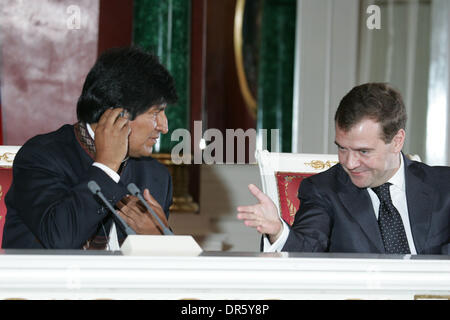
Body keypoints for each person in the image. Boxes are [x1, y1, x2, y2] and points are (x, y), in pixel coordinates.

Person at [238, 82, 450, 254]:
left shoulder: (443, 187)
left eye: (363, 151)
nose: (349, 163)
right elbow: (308, 250)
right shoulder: (323, 190)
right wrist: (278, 231)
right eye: (342, 148)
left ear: (397, 141)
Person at [2, 46, 178, 249]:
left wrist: (161, 241)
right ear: (119, 113)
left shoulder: (156, 176)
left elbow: (162, 273)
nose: (164, 127)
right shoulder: (40, 157)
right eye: (156, 113)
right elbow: (60, 239)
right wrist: (107, 166)